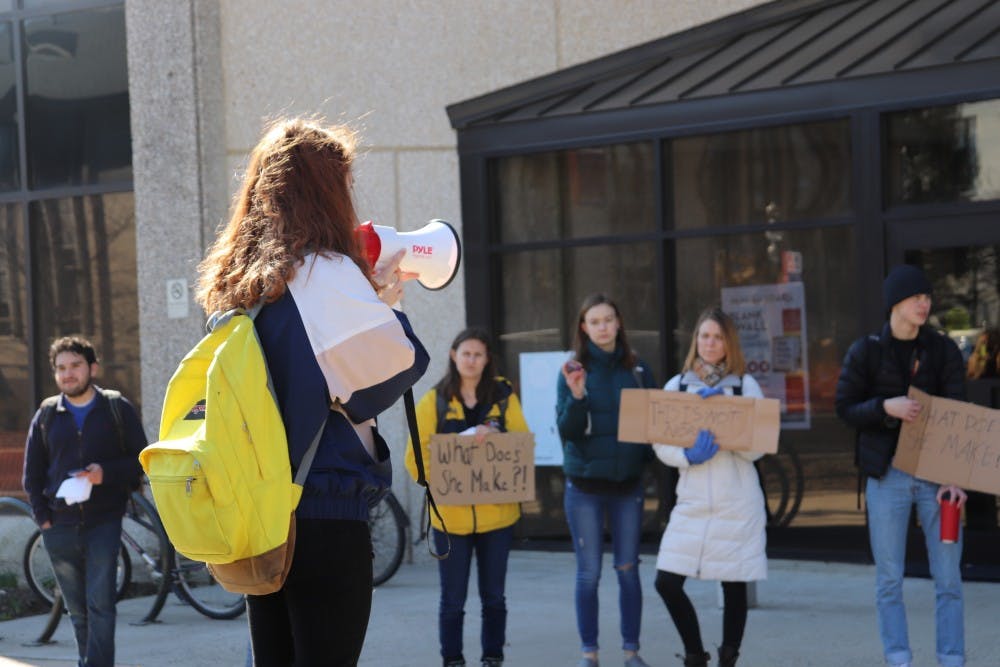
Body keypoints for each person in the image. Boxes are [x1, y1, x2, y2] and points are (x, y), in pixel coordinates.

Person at [195, 117, 429, 666]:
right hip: (323, 509)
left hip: (259, 513)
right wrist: (387, 304)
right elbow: (392, 369)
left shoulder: (240, 282)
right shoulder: (324, 271)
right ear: (324, 190)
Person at [835, 264, 967, 667]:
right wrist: (884, 407)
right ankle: (898, 658)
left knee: (949, 578)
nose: (924, 304)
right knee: (889, 579)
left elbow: (958, 415)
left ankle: (951, 658)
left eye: (927, 297)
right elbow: (844, 408)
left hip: (937, 480)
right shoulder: (866, 350)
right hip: (886, 476)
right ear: (895, 303)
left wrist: (956, 478)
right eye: (915, 298)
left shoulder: (943, 350)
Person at [404, 327, 530, 667]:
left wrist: (496, 436)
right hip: (451, 520)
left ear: (487, 359)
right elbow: (415, 458)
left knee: (494, 597)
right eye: (466, 354)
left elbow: (521, 443)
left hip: (498, 517)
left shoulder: (503, 396)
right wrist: (449, 472)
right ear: (453, 356)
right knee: (452, 599)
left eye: (478, 355)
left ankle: (493, 657)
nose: (472, 360)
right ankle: (453, 659)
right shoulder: (435, 400)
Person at [650, 307, 767, 667]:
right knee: (666, 582)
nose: (710, 343)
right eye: (704, 336)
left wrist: (728, 419)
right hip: (693, 504)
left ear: (729, 343)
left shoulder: (745, 385)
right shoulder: (678, 386)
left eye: (718, 337)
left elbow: (759, 448)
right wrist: (688, 455)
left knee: (734, 583)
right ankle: (695, 655)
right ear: (696, 340)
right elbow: (661, 443)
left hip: (738, 502)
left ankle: (728, 658)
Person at [22, 335, 148, 667]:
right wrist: (43, 520)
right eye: (61, 368)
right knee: (77, 610)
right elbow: (31, 475)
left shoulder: (116, 408)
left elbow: (141, 460)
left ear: (92, 368)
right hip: (58, 526)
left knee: (101, 605)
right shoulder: (47, 414)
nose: (68, 374)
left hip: (103, 522)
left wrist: (105, 473)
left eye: (75, 365)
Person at [556, 293, 656, 667]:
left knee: (628, 570)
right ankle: (590, 654)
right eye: (594, 321)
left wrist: (642, 463)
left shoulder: (638, 369)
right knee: (589, 574)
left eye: (608, 320)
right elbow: (567, 431)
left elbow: (653, 423)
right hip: (584, 488)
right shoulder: (572, 370)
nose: (602, 327)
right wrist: (577, 396)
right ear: (584, 327)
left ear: (618, 323)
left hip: (627, 487)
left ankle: (632, 652)